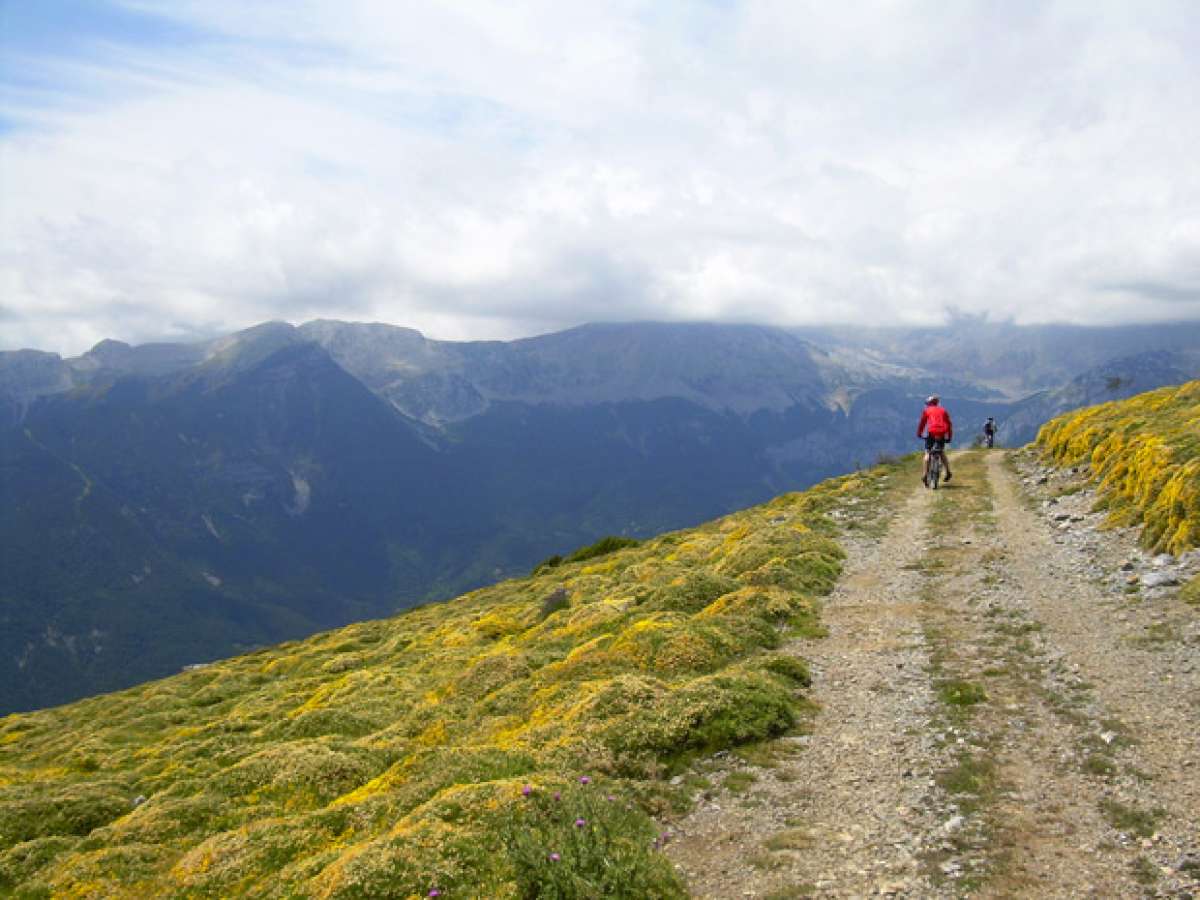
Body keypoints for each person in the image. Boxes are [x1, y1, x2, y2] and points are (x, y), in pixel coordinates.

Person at [917, 395, 953, 486]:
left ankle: (925, 474)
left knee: (927, 453)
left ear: (928, 404)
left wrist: (919, 433)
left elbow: (922, 423)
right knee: (941, 451)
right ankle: (948, 471)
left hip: (931, 432)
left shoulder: (927, 411)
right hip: (941, 433)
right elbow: (949, 424)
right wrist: (949, 437)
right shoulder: (943, 410)